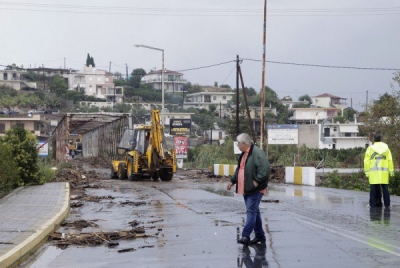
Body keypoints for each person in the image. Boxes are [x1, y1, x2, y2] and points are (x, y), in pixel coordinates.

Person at [227, 133, 270, 246]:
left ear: (245, 143)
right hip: (247, 189)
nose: (237, 145)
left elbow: (264, 169)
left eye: (238, 143)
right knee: (255, 213)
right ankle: (260, 236)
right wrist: (232, 181)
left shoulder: (257, 153)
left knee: (251, 212)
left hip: (255, 190)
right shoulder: (244, 154)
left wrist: (256, 182)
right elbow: (239, 170)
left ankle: (245, 236)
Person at [364, 133, 394, 208]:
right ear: (381, 139)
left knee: (373, 190)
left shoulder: (370, 148)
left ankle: (372, 204)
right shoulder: (386, 148)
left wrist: (367, 172)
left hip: (374, 173)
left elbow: (366, 161)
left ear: (374, 139)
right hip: (384, 173)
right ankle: (387, 204)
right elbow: (390, 160)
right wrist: (391, 172)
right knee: (385, 189)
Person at [368, 132, 382, 207]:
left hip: (374, 169)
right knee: (377, 186)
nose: (369, 138)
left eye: (370, 137)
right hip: (379, 169)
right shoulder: (381, 147)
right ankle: (378, 201)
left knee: (373, 187)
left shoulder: (372, 147)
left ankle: (373, 202)